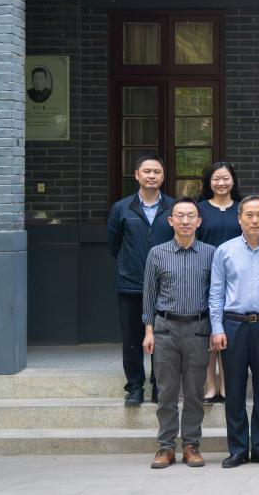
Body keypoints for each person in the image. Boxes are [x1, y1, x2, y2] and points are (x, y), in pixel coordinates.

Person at [209, 195, 259, 468]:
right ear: (239, 219)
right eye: (249, 215)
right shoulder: (224, 251)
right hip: (233, 325)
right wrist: (217, 328)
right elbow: (216, 294)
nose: (254, 220)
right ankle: (237, 449)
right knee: (234, 390)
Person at [142, 198, 215, 469]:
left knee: (195, 391)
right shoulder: (157, 253)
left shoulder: (211, 253)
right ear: (170, 221)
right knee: (167, 392)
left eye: (191, 216)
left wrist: (214, 329)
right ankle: (166, 447)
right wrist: (149, 331)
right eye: (180, 216)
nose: (185, 221)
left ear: (199, 221)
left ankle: (191, 445)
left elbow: (216, 295)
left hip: (198, 328)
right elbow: (148, 295)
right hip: (165, 329)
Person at [106, 153, 174, 405]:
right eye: (147, 171)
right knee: (132, 338)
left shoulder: (173, 207)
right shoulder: (121, 208)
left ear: (163, 176)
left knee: (163, 337)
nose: (151, 176)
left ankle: (159, 386)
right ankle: (135, 387)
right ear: (136, 175)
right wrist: (130, 264)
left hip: (166, 285)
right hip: (131, 284)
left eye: (156, 172)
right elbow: (114, 244)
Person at [196, 161, 244, 404]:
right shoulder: (200, 209)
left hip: (237, 276)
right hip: (205, 275)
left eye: (226, 178)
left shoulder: (242, 208)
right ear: (209, 182)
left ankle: (225, 385)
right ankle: (210, 385)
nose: (221, 183)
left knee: (229, 330)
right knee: (209, 330)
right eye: (216, 178)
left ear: (233, 181)